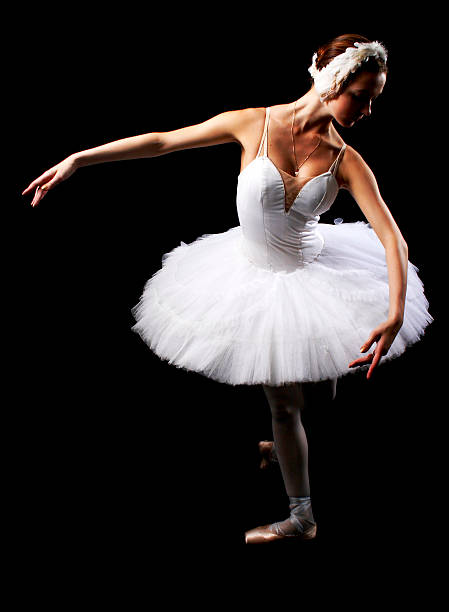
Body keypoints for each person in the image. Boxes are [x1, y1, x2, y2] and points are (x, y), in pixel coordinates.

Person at [22, 34, 433, 544]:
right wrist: (80, 159)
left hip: (312, 275)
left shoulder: (347, 161)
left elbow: (393, 239)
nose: (370, 109)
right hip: (251, 277)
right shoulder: (252, 122)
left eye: (376, 98)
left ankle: (279, 449)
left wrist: (394, 312)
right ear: (334, 82)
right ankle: (302, 518)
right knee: (285, 403)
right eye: (364, 95)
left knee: (320, 388)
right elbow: (163, 141)